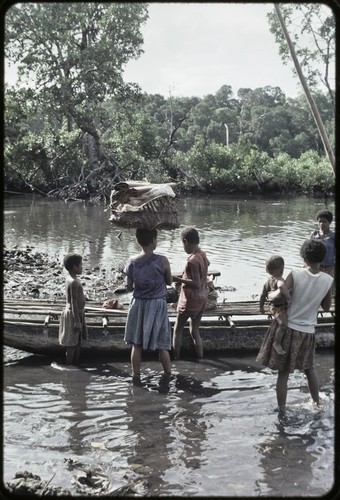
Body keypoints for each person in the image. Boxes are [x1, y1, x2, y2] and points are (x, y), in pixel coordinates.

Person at [256, 239, 333, 412]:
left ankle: (282, 409)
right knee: (310, 369)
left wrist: (273, 290)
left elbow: (276, 296)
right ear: (322, 258)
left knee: (283, 374)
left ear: (303, 257)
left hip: (288, 328)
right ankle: (317, 403)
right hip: (308, 331)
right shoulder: (328, 280)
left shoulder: (295, 273)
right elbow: (327, 307)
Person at [124, 228, 172, 384]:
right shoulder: (162, 260)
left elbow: (129, 287)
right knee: (162, 344)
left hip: (139, 304)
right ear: (153, 241)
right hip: (157, 304)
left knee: (136, 344)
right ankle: (168, 375)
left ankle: (136, 376)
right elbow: (169, 281)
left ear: (138, 241)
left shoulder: (132, 261)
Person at [172, 227, 210, 360]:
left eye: (183, 244)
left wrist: (177, 279)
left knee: (178, 329)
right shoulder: (202, 254)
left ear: (186, 242)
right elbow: (208, 264)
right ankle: (200, 357)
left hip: (191, 300)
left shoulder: (192, 260)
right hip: (202, 299)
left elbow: (196, 283)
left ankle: (176, 358)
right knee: (195, 330)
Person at [259, 255, 291, 356]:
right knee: (283, 325)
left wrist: (261, 307)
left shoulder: (267, 282)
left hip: (273, 306)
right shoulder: (279, 280)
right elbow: (281, 287)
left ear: (267, 269)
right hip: (278, 308)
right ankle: (277, 343)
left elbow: (262, 296)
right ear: (282, 269)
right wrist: (289, 298)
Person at [59, 253, 87, 365]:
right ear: (75, 267)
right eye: (80, 265)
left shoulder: (72, 279)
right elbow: (74, 301)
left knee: (77, 343)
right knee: (72, 344)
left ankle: (76, 364)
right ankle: (69, 366)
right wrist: (76, 321)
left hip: (76, 313)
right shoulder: (73, 282)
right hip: (73, 315)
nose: (82, 267)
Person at [310, 209, 335, 286]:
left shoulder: (333, 236)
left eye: (324, 221)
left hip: (329, 268)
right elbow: (308, 251)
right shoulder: (314, 234)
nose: (321, 224)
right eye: (319, 221)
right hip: (316, 267)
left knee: (328, 289)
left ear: (329, 222)